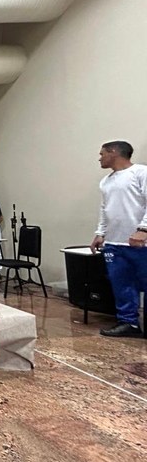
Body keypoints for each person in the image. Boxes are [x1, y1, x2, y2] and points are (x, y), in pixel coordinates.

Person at [90, 141, 147, 337]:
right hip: (115, 243)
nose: (99, 158)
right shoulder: (106, 181)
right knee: (122, 284)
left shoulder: (141, 173)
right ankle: (128, 323)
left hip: (141, 243)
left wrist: (143, 229)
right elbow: (105, 209)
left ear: (114, 152)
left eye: (102, 153)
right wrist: (100, 233)